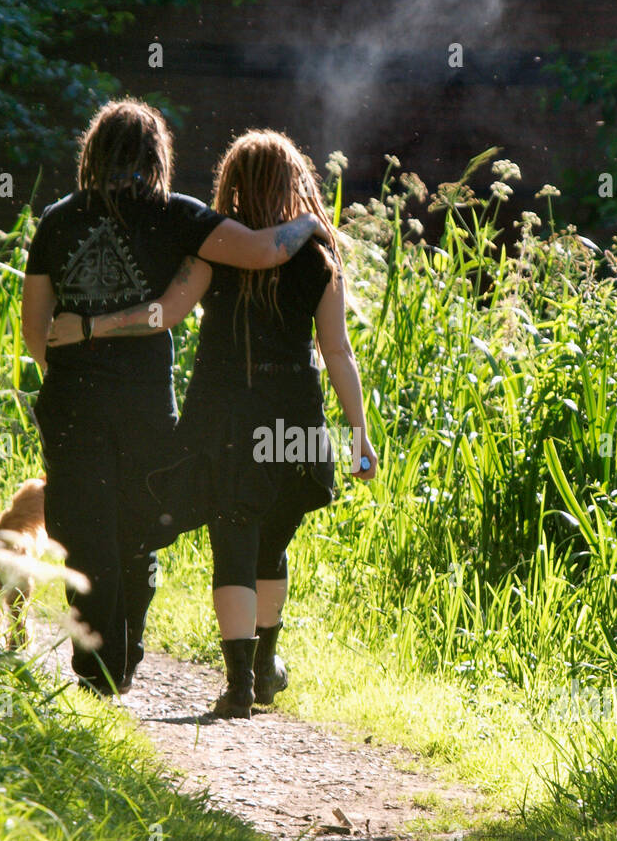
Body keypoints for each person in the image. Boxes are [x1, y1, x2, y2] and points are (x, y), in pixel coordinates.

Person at [46, 128, 378, 717]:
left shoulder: (210, 253)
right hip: (295, 425)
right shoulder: (320, 259)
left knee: (234, 531)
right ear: (294, 183)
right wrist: (358, 434)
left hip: (224, 420)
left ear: (231, 185)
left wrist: (94, 327)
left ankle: (240, 683)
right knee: (272, 539)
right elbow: (338, 352)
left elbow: (164, 313)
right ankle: (266, 663)